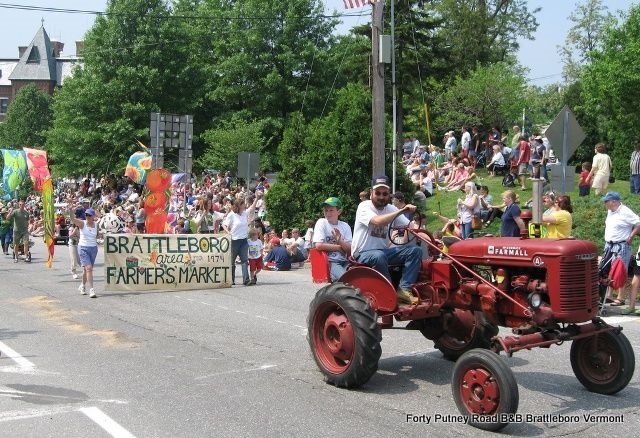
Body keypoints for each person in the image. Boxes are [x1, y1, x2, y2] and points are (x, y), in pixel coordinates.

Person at [351, 176, 422, 305]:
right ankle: (390, 293)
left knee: (415, 251)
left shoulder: (391, 208)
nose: (381, 197)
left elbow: (410, 227)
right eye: (378, 193)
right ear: (371, 193)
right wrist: (401, 211)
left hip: (383, 252)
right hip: (362, 253)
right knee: (379, 256)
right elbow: (377, 221)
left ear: (389, 195)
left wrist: (421, 231)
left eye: (385, 193)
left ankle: (404, 290)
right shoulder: (364, 206)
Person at [600, 192, 640, 306]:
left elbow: (638, 223)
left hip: (621, 245)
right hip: (609, 244)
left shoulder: (625, 211)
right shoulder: (610, 211)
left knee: (620, 270)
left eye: (606, 201)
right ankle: (609, 295)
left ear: (614, 201)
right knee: (608, 270)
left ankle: (621, 297)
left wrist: (631, 236)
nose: (604, 203)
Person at [313, 197, 353, 281]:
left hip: (346, 261)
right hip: (331, 261)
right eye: (326, 210)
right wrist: (339, 247)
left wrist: (340, 241)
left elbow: (350, 249)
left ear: (339, 211)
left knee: (357, 278)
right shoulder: (322, 222)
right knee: (346, 279)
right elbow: (318, 245)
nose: (328, 213)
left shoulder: (345, 226)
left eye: (331, 210)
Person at [222, 198, 255, 286]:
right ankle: (231, 279)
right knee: (232, 261)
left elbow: (252, 208)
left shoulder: (244, 214)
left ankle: (246, 280)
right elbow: (224, 225)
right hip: (234, 240)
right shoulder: (231, 215)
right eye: (242, 204)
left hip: (244, 240)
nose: (244, 205)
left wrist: (256, 199)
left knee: (244, 260)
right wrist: (228, 232)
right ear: (238, 205)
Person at [69, 206, 98, 298]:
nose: (87, 217)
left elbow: (97, 235)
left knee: (86, 270)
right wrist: (71, 211)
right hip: (83, 248)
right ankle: (92, 289)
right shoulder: (82, 223)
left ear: (93, 216)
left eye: (89, 215)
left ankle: (82, 285)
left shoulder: (96, 225)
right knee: (89, 268)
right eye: (86, 215)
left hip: (93, 248)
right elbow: (73, 219)